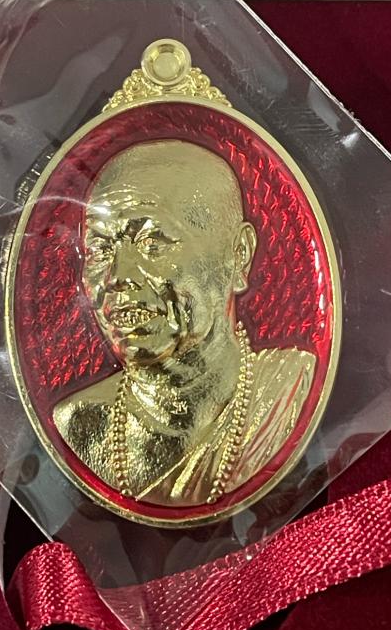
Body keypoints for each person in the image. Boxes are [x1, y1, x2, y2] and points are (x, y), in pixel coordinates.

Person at [54, 139, 315, 507]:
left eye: (152, 243)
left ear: (238, 255)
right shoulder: (80, 423)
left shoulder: (292, 390)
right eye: (100, 249)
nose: (117, 277)